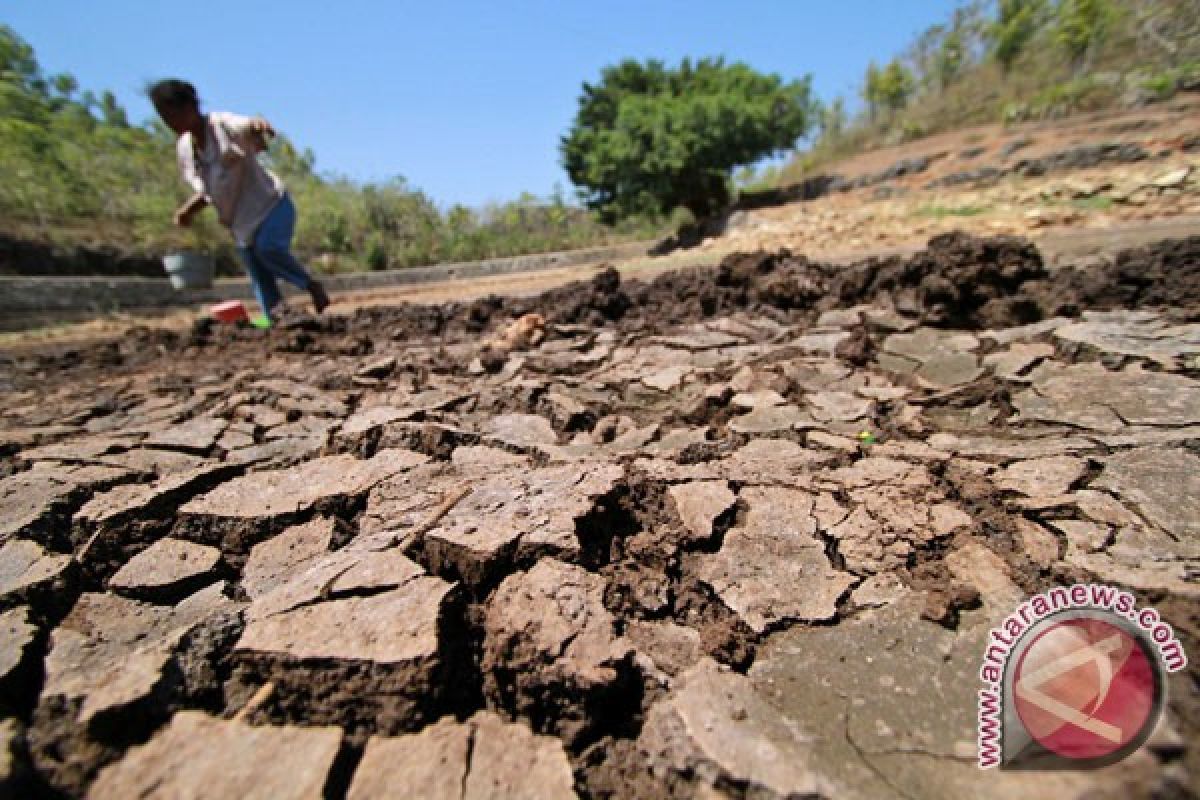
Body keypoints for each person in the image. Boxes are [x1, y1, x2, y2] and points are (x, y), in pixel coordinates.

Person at [148, 79, 330, 318]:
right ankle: (279, 322)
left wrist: (258, 126)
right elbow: (208, 191)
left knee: (268, 249)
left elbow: (246, 125)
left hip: (271, 205)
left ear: (190, 107)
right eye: (164, 117)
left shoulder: (220, 125)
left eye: (172, 114)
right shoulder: (186, 150)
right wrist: (187, 211)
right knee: (260, 279)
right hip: (240, 224)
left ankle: (311, 285)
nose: (169, 122)